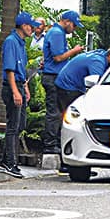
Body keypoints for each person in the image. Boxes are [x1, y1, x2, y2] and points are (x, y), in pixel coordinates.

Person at [40, 10, 86, 157]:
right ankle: (50, 144)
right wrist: (75, 51)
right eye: (74, 25)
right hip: (53, 77)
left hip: (53, 76)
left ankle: (55, 142)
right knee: (54, 112)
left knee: (58, 111)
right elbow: (58, 57)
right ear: (66, 22)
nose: (74, 29)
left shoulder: (55, 32)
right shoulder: (57, 33)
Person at [0, 12, 38, 178]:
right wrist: (15, 91)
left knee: (20, 125)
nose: (33, 29)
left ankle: (4, 159)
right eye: (31, 26)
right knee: (13, 126)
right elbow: (10, 69)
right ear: (23, 25)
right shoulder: (11, 42)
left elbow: (20, 69)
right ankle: (10, 163)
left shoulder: (21, 43)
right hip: (12, 87)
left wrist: (25, 87)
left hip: (20, 85)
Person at [55, 44, 110, 111]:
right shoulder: (97, 62)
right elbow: (98, 85)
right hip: (68, 87)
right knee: (76, 113)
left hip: (70, 84)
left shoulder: (102, 54)